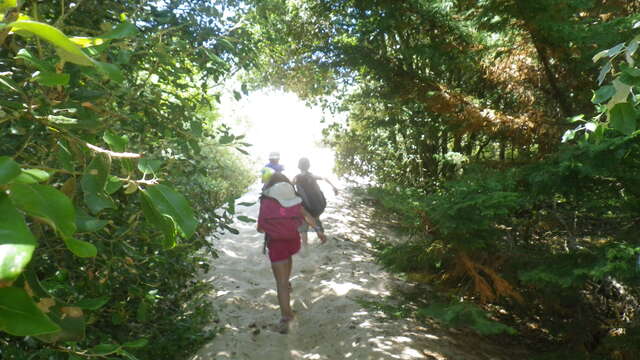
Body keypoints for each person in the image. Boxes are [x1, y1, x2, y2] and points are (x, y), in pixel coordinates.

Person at [257, 172, 326, 334]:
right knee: (286, 269)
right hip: (292, 242)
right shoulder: (294, 202)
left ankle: (286, 317)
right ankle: (287, 284)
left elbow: (260, 229)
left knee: (280, 283)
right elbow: (308, 217)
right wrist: (318, 231)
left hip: (276, 245)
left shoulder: (266, 202)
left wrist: (274, 226)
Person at [293, 157, 339, 248]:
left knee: (303, 226)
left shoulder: (296, 178)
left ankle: (305, 247)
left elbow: (289, 185)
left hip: (304, 207)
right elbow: (325, 178)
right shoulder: (312, 176)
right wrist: (334, 187)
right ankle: (322, 239)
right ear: (308, 166)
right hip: (316, 206)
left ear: (299, 167)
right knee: (316, 221)